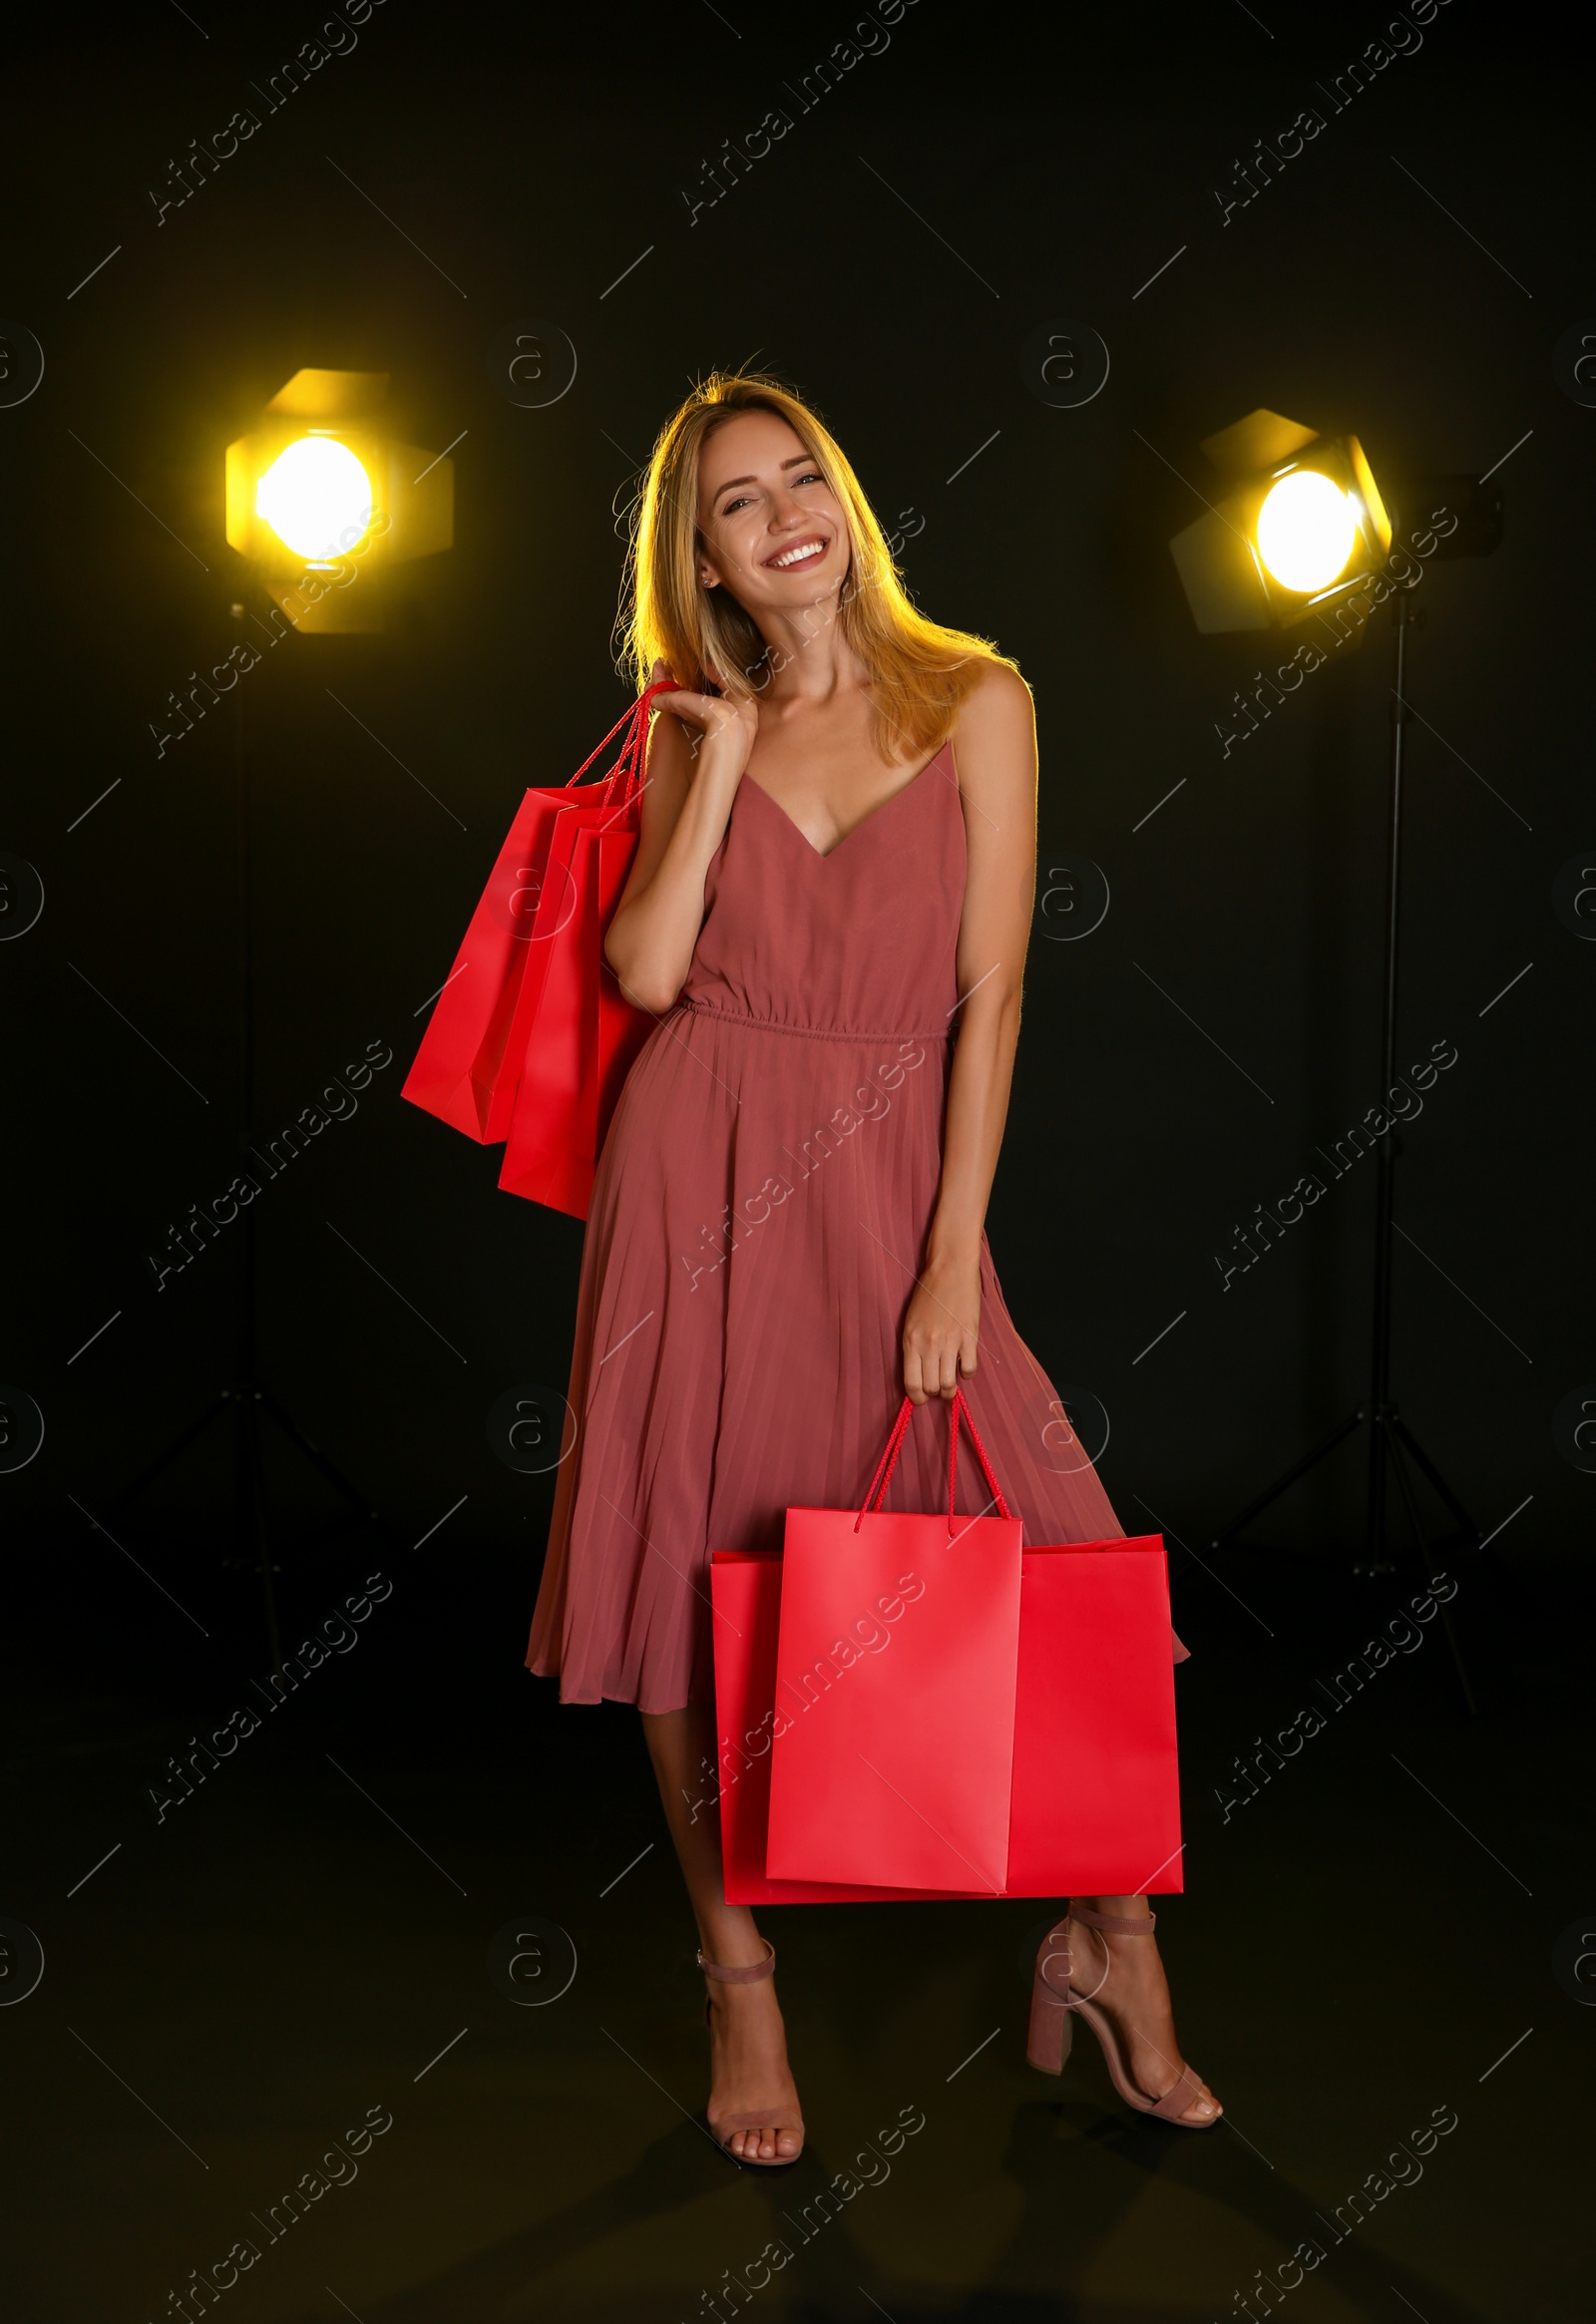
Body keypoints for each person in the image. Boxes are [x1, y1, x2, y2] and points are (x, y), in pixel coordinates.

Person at [527, 370, 1219, 2161]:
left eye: (801, 475)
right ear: (705, 563)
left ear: (847, 493)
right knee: (693, 1576)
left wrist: (949, 1258)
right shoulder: (690, 729)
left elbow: (993, 1001)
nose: (786, 516)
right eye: (736, 506)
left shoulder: (980, 696)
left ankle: (1111, 1935)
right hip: (699, 1173)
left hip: (895, 1175)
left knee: (1047, 1548)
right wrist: (728, 752)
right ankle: (737, 1983)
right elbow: (649, 976)